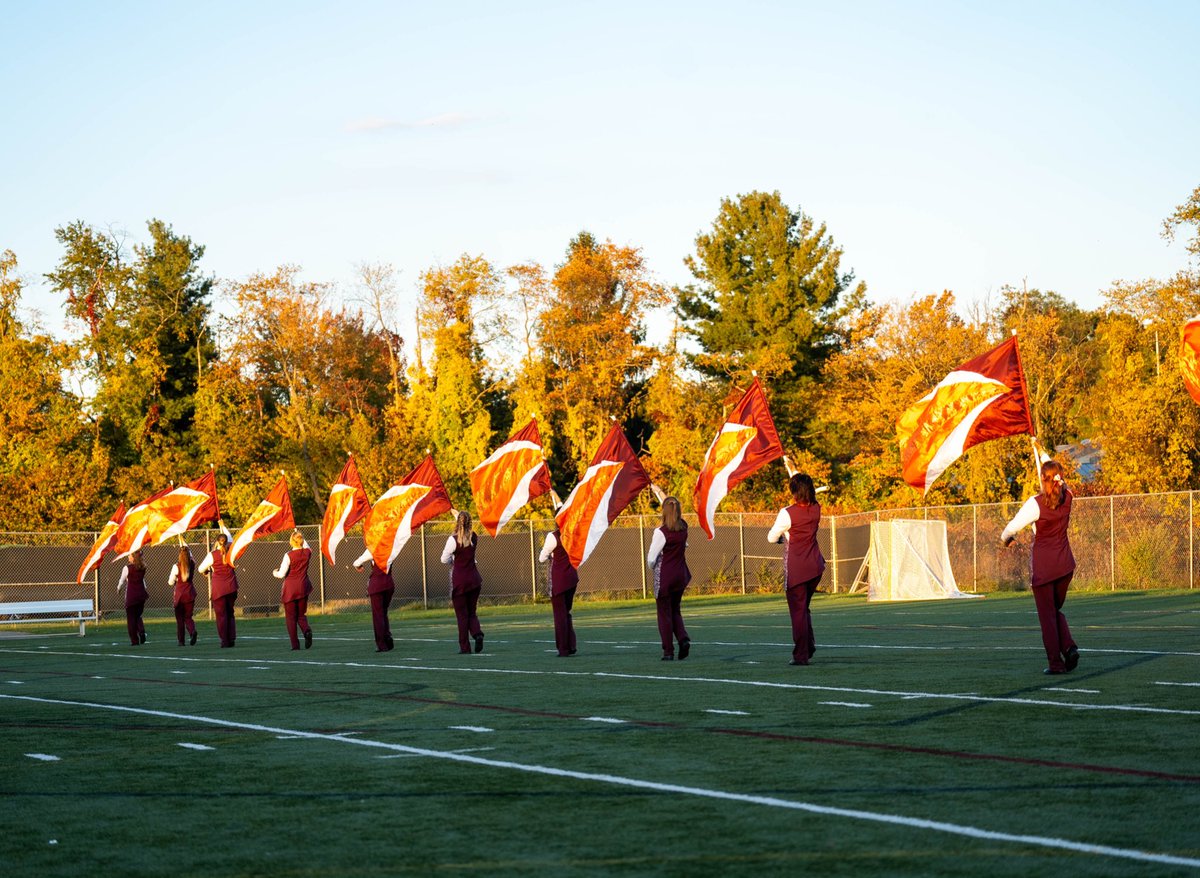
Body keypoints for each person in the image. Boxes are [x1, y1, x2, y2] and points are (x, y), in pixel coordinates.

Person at [1001, 460, 1080, 675]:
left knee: (1047, 617)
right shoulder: (1069, 496)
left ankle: (1056, 663)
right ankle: (1070, 647)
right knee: (1054, 611)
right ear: (1060, 477)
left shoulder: (1035, 504)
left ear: (1042, 479)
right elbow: (1057, 480)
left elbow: (1010, 528)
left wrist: (1005, 539)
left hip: (1045, 569)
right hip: (1065, 566)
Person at [767, 473, 825, 666]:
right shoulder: (816, 508)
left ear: (793, 492)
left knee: (798, 612)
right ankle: (808, 646)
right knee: (803, 609)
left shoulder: (787, 513)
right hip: (815, 566)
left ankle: (801, 654)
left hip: (798, 569)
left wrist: (784, 538)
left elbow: (771, 538)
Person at [646, 496, 691, 661]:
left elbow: (651, 558)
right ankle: (683, 638)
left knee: (664, 613)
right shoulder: (684, 527)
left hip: (665, 577)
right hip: (680, 575)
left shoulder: (661, 532)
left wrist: (653, 567)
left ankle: (668, 651)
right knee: (675, 610)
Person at [441, 511, 485, 654]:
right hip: (474, 579)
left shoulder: (453, 540)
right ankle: (477, 633)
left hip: (460, 581)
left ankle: (465, 647)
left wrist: (453, 560)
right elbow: (465, 530)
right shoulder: (474, 537)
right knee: (472, 612)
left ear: (457, 522)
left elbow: (444, 559)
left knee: (462, 615)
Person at [538, 528, 578, 657]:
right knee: (567, 613)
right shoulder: (573, 533)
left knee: (560, 616)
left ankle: (563, 648)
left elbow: (541, 558)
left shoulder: (553, 536)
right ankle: (571, 644)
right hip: (572, 578)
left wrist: (551, 555)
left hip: (559, 580)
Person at [198, 525, 238, 648]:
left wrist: (206, 571)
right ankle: (231, 639)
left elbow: (200, 569)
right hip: (231, 587)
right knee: (230, 613)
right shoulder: (232, 552)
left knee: (221, 616)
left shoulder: (212, 554)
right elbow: (230, 538)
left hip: (219, 589)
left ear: (217, 542)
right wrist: (223, 526)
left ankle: (224, 641)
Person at [274, 531, 314, 650]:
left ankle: (295, 645)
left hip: (290, 589)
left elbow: (281, 574)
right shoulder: (307, 552)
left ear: (291, 541)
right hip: (303, 586)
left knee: (291, 617)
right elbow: (306, 545)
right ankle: (306, 630)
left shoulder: (288, 555)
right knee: (301, 614)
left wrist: (274, 572)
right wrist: (298, 533)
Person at [353, 548, 395, 652]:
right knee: (383, 612)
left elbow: (356, 562)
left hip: (377, 586)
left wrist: (358, 566)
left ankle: (382, 644)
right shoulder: (391, 547)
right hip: (389, 584)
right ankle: (387, 636)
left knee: (378, 615)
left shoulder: (373, 549)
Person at [117, 550, 149, 646]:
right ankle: (142, 631)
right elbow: (143, 582)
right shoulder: (142, 567)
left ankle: (134, 640)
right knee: (138, 616)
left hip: (131, 595)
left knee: (131, 619)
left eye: (130, 555)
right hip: (141, 595)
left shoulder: (127, 568)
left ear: (133, 557)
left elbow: (122, 580)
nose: (128, 557)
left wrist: (118, 588)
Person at [169, 544, 198, 646]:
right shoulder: (192, 564)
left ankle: (181, 641)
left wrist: (177, 579)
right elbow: (191, 558)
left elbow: (170, 582)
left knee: (180, 620)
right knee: (188, 617)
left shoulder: (176, 566)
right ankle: (192, 631)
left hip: (180, 596)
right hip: (190, 594)